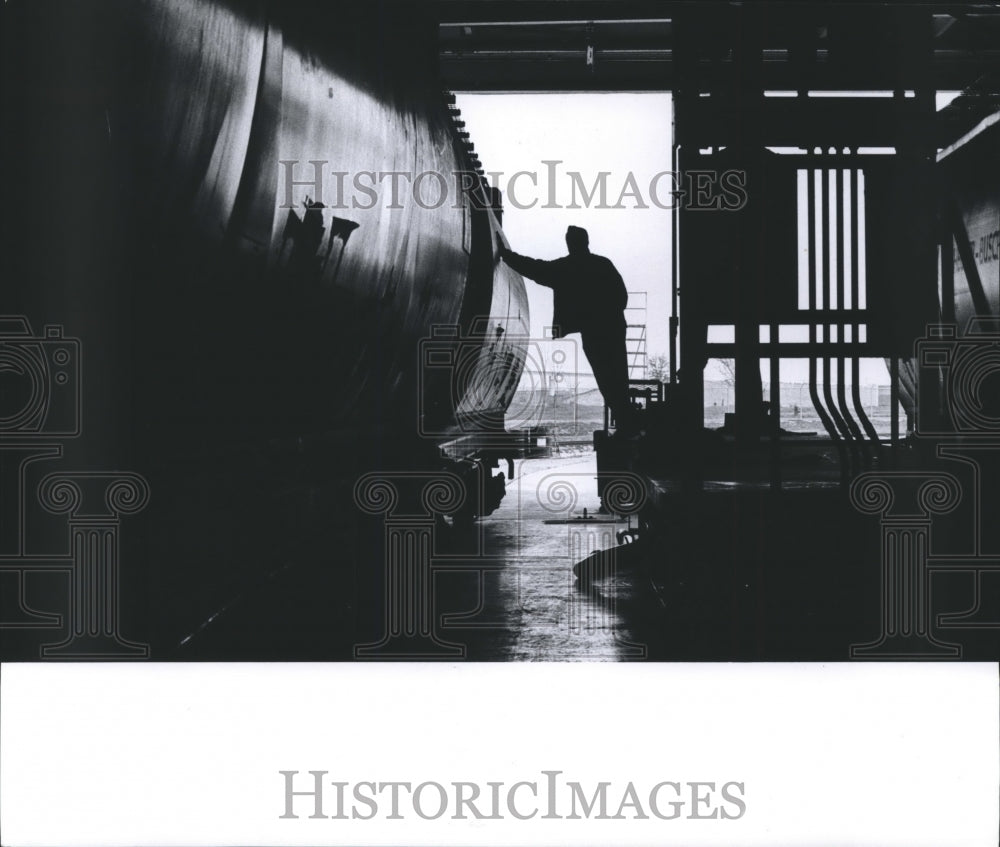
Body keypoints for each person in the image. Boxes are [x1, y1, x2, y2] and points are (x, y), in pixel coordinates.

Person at [498, 226, 637, 435]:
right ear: (587, 241)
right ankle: (627, 422)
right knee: (617, 377)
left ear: (570, 243)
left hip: (592, 332)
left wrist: (507, 256)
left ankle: (626, 422)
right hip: (613, 329)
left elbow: (535, 268)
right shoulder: (603, 264)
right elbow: (622, 297)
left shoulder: (565, 268)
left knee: (606, 380)